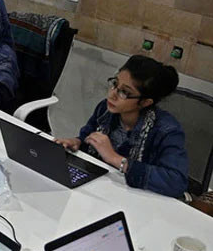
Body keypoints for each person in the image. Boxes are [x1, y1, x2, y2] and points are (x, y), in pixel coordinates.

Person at [55, 55, 188, 198]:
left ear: (145, 102)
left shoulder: (167, 130)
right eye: (115, 84)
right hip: (100, 190)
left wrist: (115, 159)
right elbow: (87, 137)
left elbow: (176, 182)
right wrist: (77, 142)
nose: (112, 94)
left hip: (138, 199)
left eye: (124, 92)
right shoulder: (105, 109)